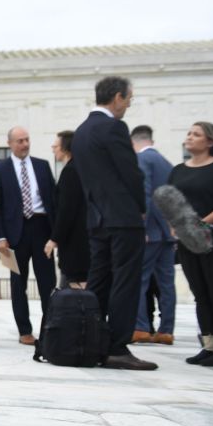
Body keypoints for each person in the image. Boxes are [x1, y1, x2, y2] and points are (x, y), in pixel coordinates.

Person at [71, 76, 155, 370]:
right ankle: (117, 346)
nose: (128, 105)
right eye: (129, 99)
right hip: (122, 217)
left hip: (97, 218)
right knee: (126, 281)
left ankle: (91, 339)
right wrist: (141, 209)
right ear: (117, 97)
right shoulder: (114, 127)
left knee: (100, 282)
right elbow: (131, 174)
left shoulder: (81, 132)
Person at [0, 126, 57, 344]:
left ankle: (49, 329)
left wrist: (56, 234)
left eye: (27, 140)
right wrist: (0, 237)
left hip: (41, 229)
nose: (24, 144)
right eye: (20, 141)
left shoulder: (42, 166)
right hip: (14, 234)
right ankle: (25, 332)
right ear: (10, 144)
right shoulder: (0, 169)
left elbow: (53, 201)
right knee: (18, 284)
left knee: (48, 282)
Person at [169, 121, 213, 366]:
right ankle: (209, 345)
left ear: (210, 142)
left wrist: (200, 224)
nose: (189, 137)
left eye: (196, 134)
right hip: (187, 240)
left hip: (211, 238)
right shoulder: (178, 170)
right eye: (189, 133)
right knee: (200, 293)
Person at [131, 125, 176, 344]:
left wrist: (143, 227)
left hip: (151, 232)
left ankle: (140, 327)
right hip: (168, 232)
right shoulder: (167, 163)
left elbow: (145, 194)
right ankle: (166, 330)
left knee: (140, 280)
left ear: (134, 142)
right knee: (167, 283)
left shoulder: (142, 160)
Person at [44, 130, 89, 286]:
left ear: (65, 147)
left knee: (78, 290)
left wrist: (54, 239)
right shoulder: (79, 168)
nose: (53, 149)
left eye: (55, 145)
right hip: (81, 240)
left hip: (76, 243)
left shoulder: (71, 171)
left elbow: (66, 210)